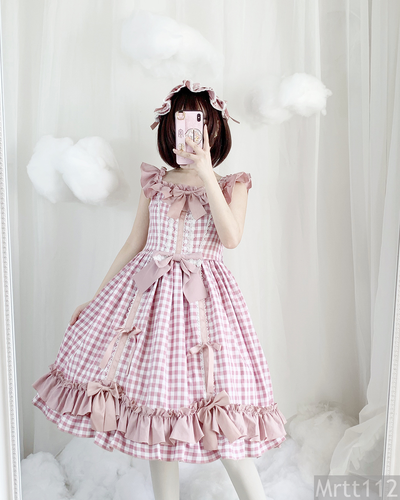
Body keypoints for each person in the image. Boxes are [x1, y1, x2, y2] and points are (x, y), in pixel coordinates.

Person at [32, 80, 287, 500]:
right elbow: (134, 243)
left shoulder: (232, 184)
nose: (191, 132)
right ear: (169, 129)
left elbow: (231, 237)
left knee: (222, 412)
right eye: (181, 123)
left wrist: (206, 173)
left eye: (200, 123)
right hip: (148, 306)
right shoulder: (156, 182)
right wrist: (96, 298)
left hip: (206, 310)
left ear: (215, 128)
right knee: (155, 409)